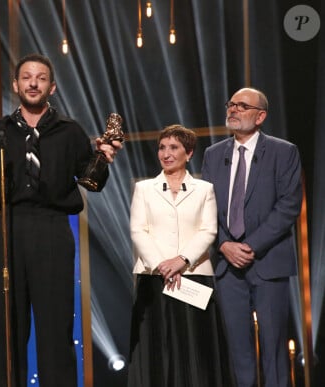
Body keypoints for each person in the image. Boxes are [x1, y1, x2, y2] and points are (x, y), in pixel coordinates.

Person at [0, 53, 122, 387]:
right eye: (26, 77)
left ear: (51, 87)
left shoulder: (70, 132)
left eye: (40, 77)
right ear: (15, 84)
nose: (33, 82)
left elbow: (92, 183)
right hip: (9, 228)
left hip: (53, 229)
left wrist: (104, 159)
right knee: (9, 326)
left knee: (56, 327)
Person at [201, 87, 302, 387]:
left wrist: (249, 246)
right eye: (230, 104)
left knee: (273, 349)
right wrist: (223, 244)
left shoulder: (284, 152)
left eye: (242, 106)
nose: (232, 110)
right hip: (227, 267)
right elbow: (205, 207)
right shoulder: (213, 154)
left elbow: (288, 206)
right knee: (238, 350)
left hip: (268, 263)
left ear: (261, 116)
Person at [128, 124, 233, 387]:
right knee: (155, 347)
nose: (166, 153)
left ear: (189, 152)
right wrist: (162, 265)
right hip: (154, 277)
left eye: (173, 147)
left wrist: (181, 260)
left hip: (194, 277)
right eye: (162, 148)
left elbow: (208, 231)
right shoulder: (144, 189)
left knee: (195, 349)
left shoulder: (204, 189)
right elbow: (138, 231)